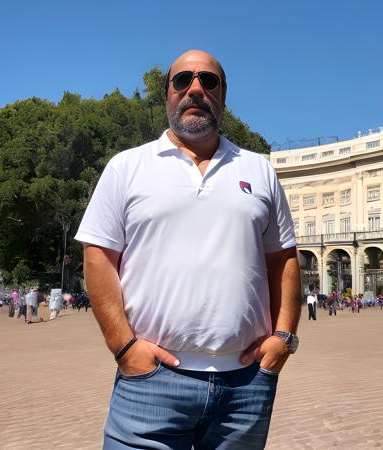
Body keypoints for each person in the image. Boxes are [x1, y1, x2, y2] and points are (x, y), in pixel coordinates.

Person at [76, 49, 301, 449]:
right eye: (183, 80)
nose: (195, 88)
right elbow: (98, 256)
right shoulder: (127, 167)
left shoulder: (259, 169)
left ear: (223, 96)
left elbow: (282, 258)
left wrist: (285, 336)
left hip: (245, 383)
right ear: (167, 94)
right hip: (150, 379)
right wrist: (123, 347)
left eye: (208, 81)